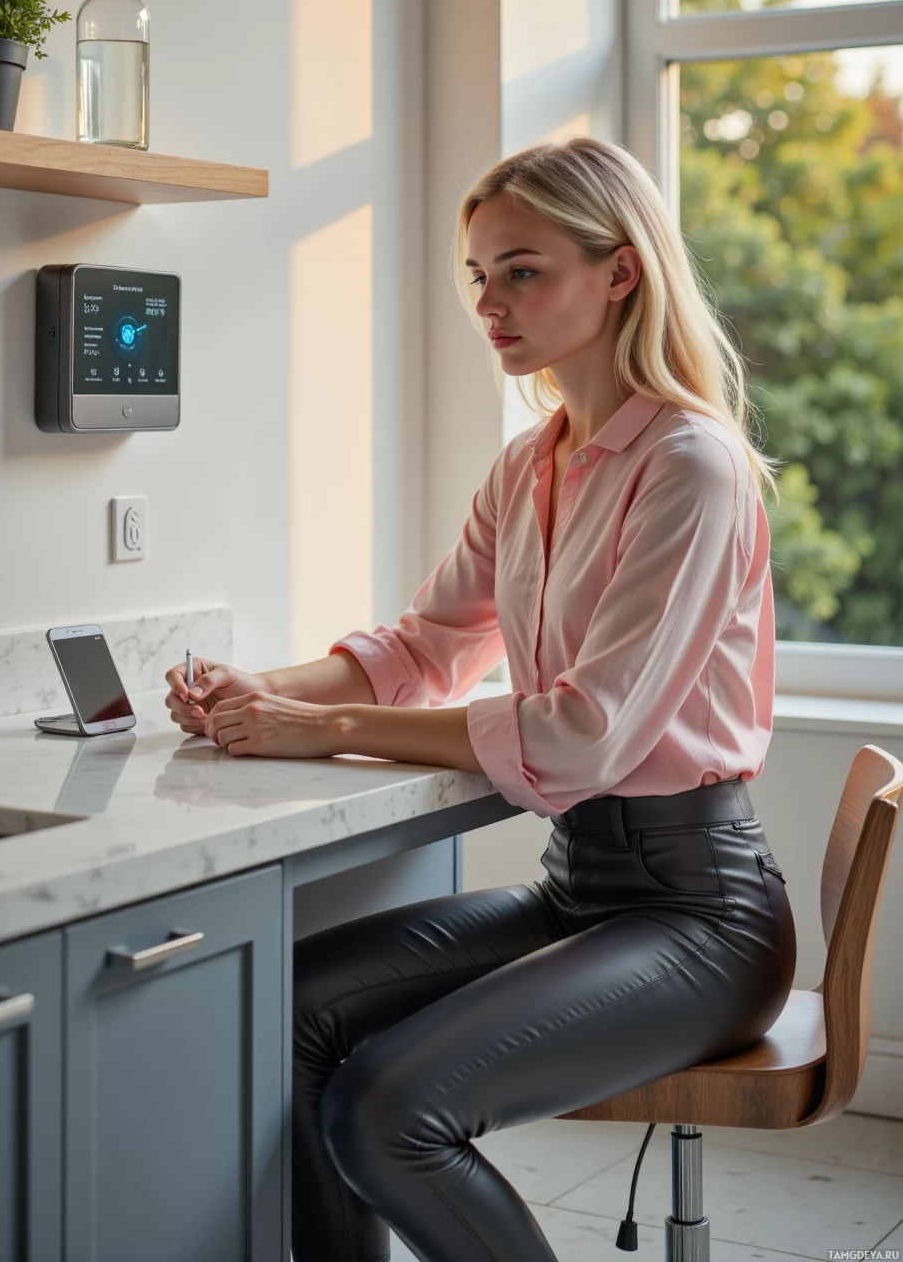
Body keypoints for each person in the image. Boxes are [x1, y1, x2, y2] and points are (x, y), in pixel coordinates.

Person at [164, 136, 796, 1262]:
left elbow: (583, 732)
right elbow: (427, 643)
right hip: (579, 892)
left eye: (522, 270)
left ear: (620, 272)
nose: (489, 304)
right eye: (477, 276)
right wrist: (265, 690)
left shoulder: (689, 466)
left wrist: (328, 731)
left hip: (700, 919)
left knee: (387, 1110)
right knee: (281, 1016)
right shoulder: (528, 463)